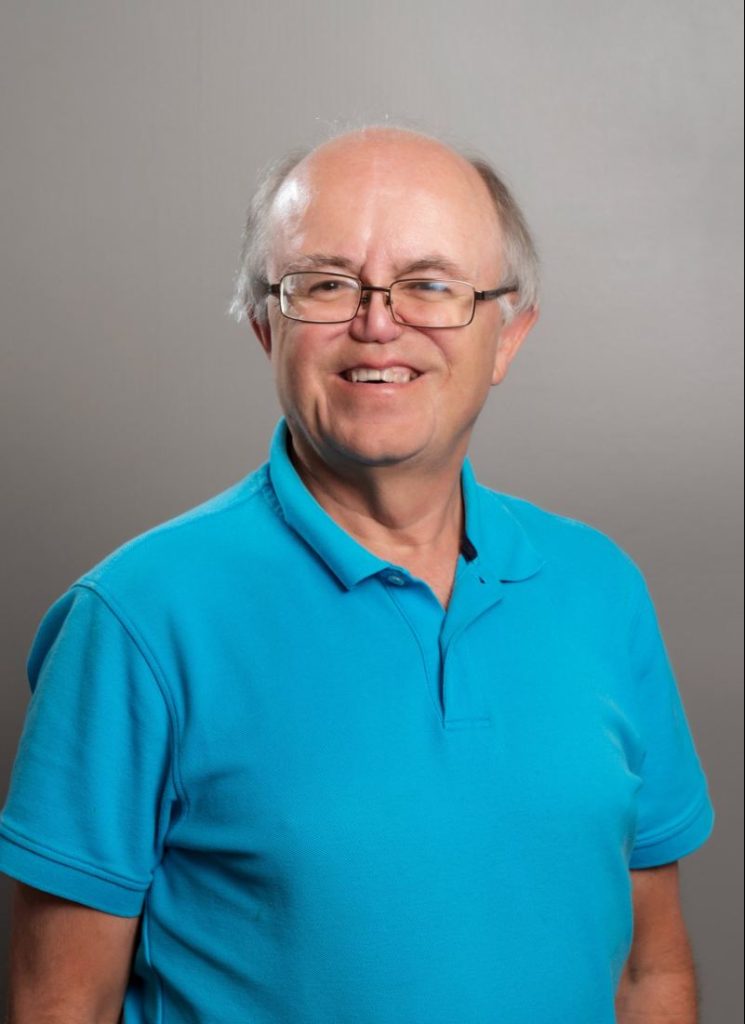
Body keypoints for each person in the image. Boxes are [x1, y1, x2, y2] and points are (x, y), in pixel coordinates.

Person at [0, 127, 714, 1023]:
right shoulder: (135, 619)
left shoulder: (600, 589)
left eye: (429, 285)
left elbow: (648, 970)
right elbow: (60, 1003)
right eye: (326, 284)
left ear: (506, 334)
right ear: (266, 326)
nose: (378, 324)